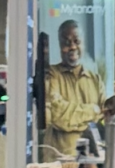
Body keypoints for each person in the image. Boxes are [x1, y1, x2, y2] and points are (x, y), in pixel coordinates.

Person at [45, 19, 105, 157]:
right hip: (61, 158)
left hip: (92, 159)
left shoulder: (95, 79)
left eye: (76, 41)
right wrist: (92, 110)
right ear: (59, 46)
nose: (72, 47)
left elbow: (104, 114)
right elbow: (56, 114)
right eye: (66, 43)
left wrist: (72, 118)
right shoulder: (51, 75)